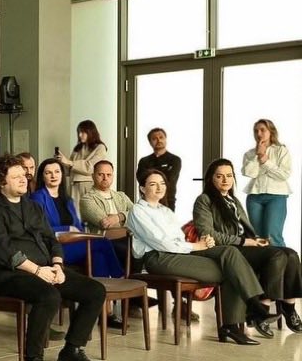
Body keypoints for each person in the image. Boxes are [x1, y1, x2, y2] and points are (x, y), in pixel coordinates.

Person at [0, 156, 107, 361]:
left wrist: (57, 266)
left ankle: (72, 350)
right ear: (1, 182)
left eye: (24, 175)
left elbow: (51, 240)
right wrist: (37, 271)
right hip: (9, 276)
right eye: (16, 176)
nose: (23, 179)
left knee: (95, 291)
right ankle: (33, 359)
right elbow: (5, 253)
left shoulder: (32, 206)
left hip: (45, 269)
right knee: (49, 295)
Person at [128, 168, 269, 345]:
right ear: (142, 188)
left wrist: (205, 242)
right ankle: (244, 317)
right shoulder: (137, 211)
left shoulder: (166, 211)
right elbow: (161, 242)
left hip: (180, 253)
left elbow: (179, 239)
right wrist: (196, 246)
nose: (159, 188)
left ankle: (251, 309)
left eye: (162, 183)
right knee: (231, 271)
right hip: (158, 258)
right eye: (153, 184)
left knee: (229, 252)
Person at [193, 158, 302, 334]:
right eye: (219, 176)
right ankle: (261, 309)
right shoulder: (204, 200)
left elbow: (244, 230)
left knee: (291, 253)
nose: (225, 180)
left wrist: (256, 240)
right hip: (230, 250)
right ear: (211, 179)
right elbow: (208, 234)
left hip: (246, 245)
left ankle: (289, 307)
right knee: (277, 256)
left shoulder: (234, 201)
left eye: (229, 175)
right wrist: (244, 242)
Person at [29, 159, 123, 278]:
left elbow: (78, 228)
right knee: (103, 242)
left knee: (98, 255)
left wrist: (76, 231)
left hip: (74, 244)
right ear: (42, 177)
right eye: (48, 173)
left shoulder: (68, 200)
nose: (53, 176)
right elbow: (39, 229)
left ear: (62, 175)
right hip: (53, 248)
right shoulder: (37, 197)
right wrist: (67, 228)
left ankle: (103, 288)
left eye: (57, 172)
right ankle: (120, 277)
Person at [242, 118, 292, 248]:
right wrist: (257, 155)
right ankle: (262, 261)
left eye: (262, 130)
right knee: (258, 237)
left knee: (273, 236)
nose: (259, 133)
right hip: (254, 197)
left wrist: (265, 161)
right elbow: (249, 173)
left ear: (271, 132)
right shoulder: (249, 154)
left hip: (276, 197)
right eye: (256, 131)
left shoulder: (281, 150)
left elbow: (283, 175)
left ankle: (284, 261)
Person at [55, 119, 108, 219]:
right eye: (79, 132)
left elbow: (91, 167)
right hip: (73, 186)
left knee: (89, 215)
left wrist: (69, 162)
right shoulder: (78, 149)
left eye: (83, 132)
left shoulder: (100, 148)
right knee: (74, 216)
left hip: (88, 186)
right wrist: (61, 162)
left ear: (90, 132)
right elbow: (69, 170)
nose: (80, 135)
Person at [79, 160, 134, 236]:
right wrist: (131, 222)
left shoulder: (121, 196)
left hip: (128, 239)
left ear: (113, 176)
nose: (105, 178)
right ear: (93, 176)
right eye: (101, 174)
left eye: (109, 175)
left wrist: (119, 217)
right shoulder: (87, 199)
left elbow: (138, 215)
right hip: (102, 241)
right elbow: (106, 224)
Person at [136, 128, 181, 211]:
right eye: (154, 138)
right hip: (148, 201)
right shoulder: (144, 161)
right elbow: (142, 180)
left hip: (168, 200)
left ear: (165, 139)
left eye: (161, 137)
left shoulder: (175, 160)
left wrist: (151, 178)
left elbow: (170, 179)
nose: (159, 140)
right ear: (150, 142)